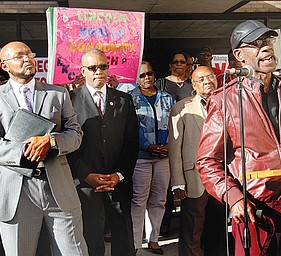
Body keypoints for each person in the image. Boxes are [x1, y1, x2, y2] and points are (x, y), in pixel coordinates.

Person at [196, 20, 281, 256]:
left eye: (268, 41)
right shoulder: (225, 100)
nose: (266, 47)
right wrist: (233, 197)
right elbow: (207, 162)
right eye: (256, 43)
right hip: (257, 211)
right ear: (239, 55)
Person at [0, 41, 88, 255]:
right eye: (19, 56)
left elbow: (75, 134)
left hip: (59, 188)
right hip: (17, 193)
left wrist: (51, 142)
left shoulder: (58, 93)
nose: (27, 59)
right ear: (4, 66)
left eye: (29, 54)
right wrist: (26, 151)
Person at [67, 48, 139, 256]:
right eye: (92, 67)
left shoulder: (123, 100)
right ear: (83, 71)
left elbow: (131, 142)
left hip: (118, 181)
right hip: (85, 184)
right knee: (90, 237)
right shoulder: (70, 100)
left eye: (103, 66)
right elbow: (68, 144)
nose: (98, 71)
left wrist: (119, 175)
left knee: (123, 238)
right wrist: (86, 175)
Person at [169, 66, 227, 256]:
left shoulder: (228, 103)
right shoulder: (181, 108)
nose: (207, 82)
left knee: (218, 229)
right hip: (194, 177)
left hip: (222, 176)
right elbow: (175, 149)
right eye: (201, 79)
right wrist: (178, 181)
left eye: (210, 77)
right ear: (193, 85)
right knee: (192, 230)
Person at [129, 61, 175, 254]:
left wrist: (167, 146)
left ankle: (154, 239)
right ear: (136, 78)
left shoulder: (166, 98)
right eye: (142, 75)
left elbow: (174, 124)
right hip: (141, 156)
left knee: (159, 199)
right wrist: (148, 146)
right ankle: (135, 242)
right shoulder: (131, 98)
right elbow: (131, 128)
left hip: (164, 156)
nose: (147, 78)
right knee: (139, 200)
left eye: (150, 73)